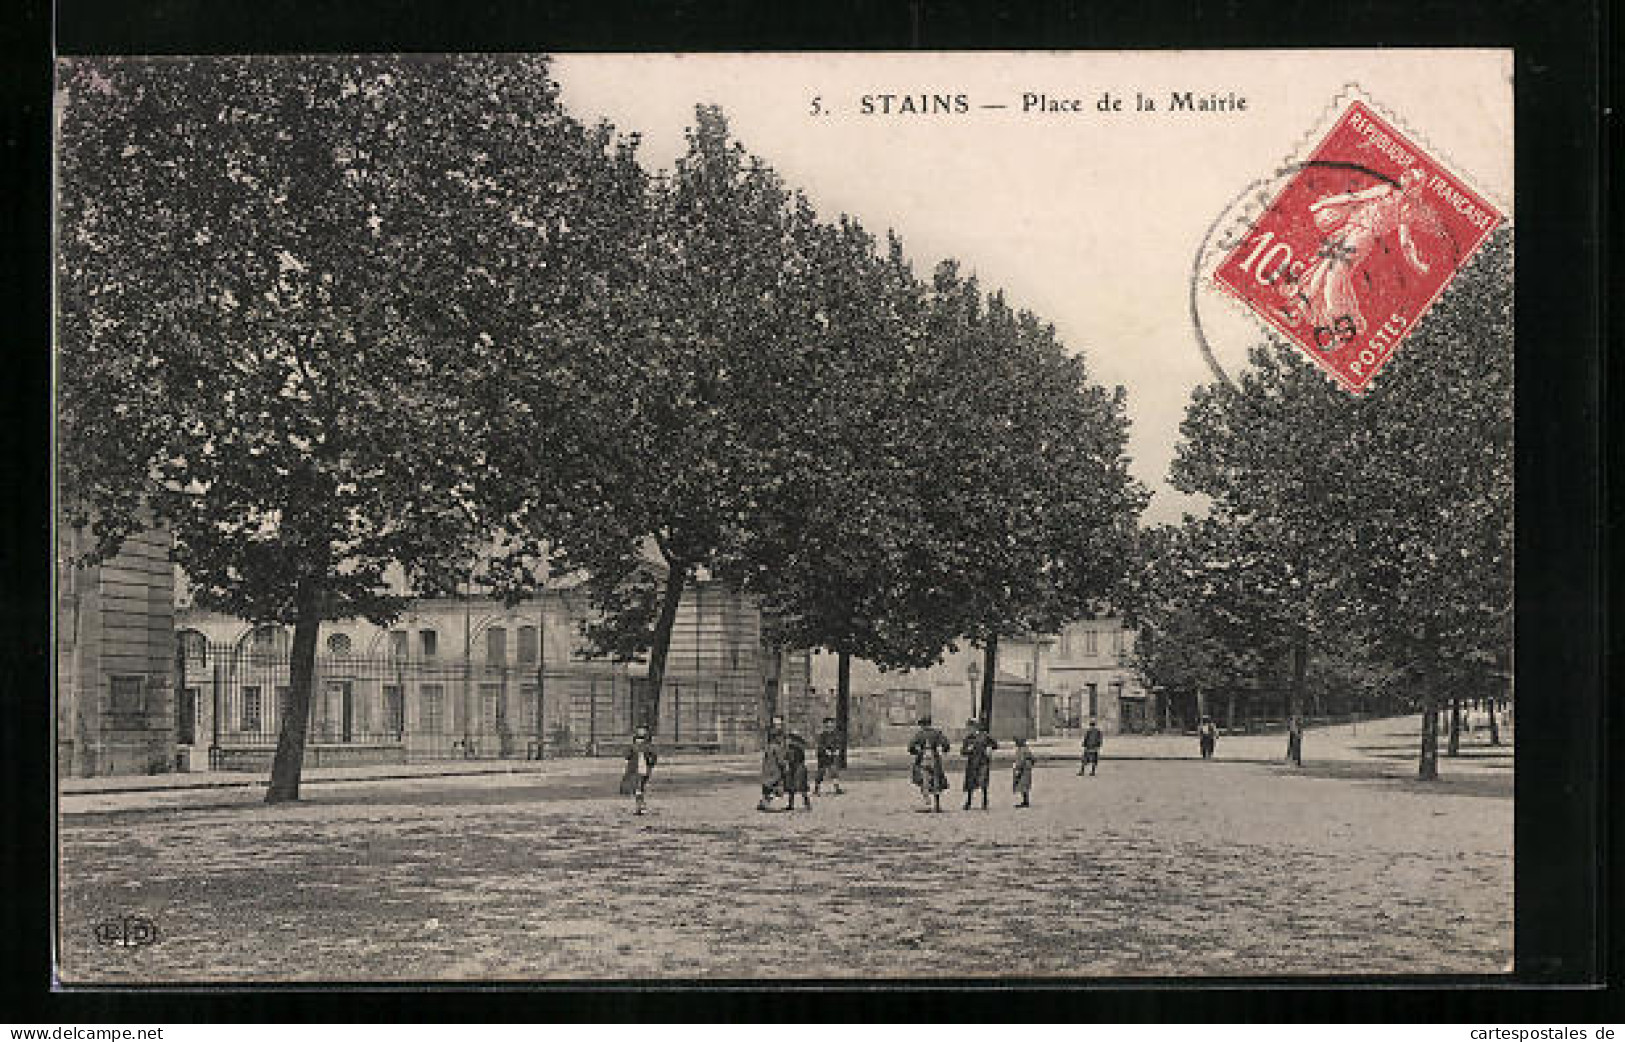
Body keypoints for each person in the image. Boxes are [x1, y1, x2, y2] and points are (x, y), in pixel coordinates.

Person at [907, 715, 950, 813]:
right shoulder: (937, 733)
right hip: (934, 759)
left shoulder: (920, 734)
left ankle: (927, 802)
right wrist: (943, 750)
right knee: (936, 781)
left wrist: (917, 752)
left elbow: (910, 747)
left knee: (924, 780)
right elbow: (946, 744)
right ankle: (937, 804)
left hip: (923, 759)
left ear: (922, 725)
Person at [959, 717, 998, 810]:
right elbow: (962, 751)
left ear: (975, 727)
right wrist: (967, 750)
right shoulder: (968, 739)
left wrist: (990, 748)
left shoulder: (984, 735)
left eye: (971, 727)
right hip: (972, 763)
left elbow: (995, 744)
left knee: (983, 782)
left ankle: (984, 802)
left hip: (983, 762)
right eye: (968, 727)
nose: (969, 729)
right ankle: (968, 802)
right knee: (970, 784)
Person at [619, 725, 658, 816]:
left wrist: (650, 760)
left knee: (639, 788)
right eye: (638, 738)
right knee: (638, 789)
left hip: (643, 770)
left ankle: (641, 806)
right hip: (634, 770)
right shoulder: (633, 747)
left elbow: (653, 757)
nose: (639, 741)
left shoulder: (648, 747)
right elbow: (627, 756)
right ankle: (640, 807)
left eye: (642, 738)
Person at [758, 715, 789, 812]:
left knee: (768, 787)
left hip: (769, 768)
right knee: (778, 788)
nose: (778, 726)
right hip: (774, 770)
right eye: (776, 724)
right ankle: (765, 802)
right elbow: (780, 759)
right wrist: (785, 765)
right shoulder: (776, 746)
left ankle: (763, 802)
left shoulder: (771, 745)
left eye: (779, 724)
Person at [784, 726, 812, 810]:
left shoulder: (797, 747)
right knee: (792, 787)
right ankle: (791, 804)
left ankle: (806, 803)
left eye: (792, 738)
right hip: (793, 767)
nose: (790, 739)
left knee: (801, 787)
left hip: (799, 767)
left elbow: (795, 758)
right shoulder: (790, 747)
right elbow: (787, 758)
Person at [814, 716, 844, 796]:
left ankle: (837, 788)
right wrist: (825, 751)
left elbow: (838, 743)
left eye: (831, 724)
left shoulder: (835, 734)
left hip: (832, 756)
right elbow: (820, 745)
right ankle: (816, 788)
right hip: (823, 757)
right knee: (821, 773)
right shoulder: (822, 735)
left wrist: (837, 750)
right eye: (828, 724)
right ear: (825, 725)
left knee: (834, 772)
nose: (830, 726)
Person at [1012, 736, 1036, 808]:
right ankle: (1025, 801)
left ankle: (1025, 802)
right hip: (1027, 769)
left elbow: (1020, 761)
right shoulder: (1026, 749)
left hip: (1023, 770)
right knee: (1025, 786)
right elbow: (1033, 759)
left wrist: (1017, 769)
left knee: (1022, 786)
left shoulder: (1021, 750)